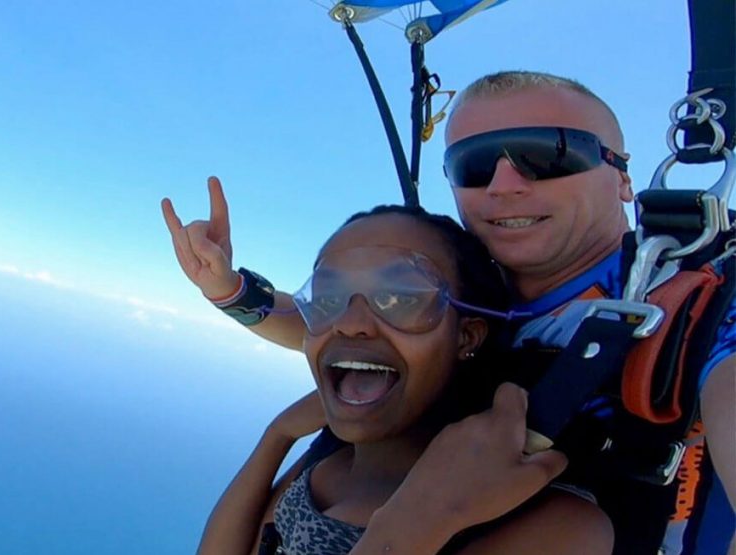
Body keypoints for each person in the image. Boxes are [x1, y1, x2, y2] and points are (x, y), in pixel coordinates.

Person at [161, 71, 735, 554]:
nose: (505, 185)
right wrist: (233, 292)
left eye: (549, 154)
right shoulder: (464, 280)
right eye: (474, 165)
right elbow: (343, 326)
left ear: (624, 176)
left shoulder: (700, 306)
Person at [166, 203, 613, 554]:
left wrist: (427, 518)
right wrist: (277, 435)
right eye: (329, 296)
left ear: (467, 335)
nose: (349, 323)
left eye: (400, 297)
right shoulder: (328, 465)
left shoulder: (553, 523)